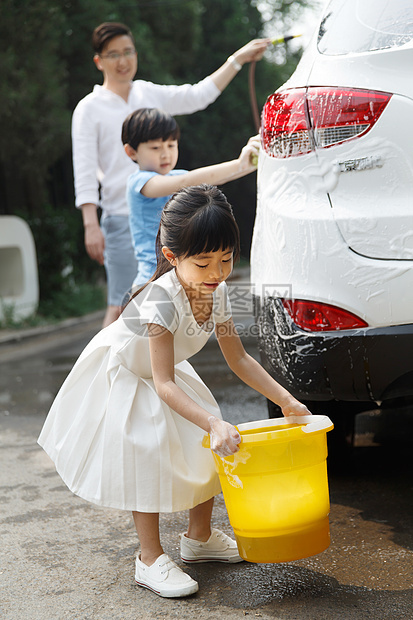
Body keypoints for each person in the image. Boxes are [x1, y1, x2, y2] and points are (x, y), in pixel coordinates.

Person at [38, 184, 311, 599]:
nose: (217, 273)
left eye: (225, 259)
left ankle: (198, 539)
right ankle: (148, 558)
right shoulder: (160, 301)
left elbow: (239, 359)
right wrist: (212, 421)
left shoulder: (220, 292)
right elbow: (161, 382)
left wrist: (286, 399)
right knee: (146, 451)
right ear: (172, 257)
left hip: (162, 375)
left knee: (207, 446)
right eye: (203, 263)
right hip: (129, 373)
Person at [72, 21, 270, 327]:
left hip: (170, 218)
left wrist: (237, 60)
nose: (123, 61)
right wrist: (90, 224)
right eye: (113, 55)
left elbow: (197, 96)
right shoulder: (89, 108)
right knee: (121, 305)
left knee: (169, 307)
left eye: (128, 51)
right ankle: (103, 369)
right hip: (122, 216)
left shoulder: (148, 93)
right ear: (99, 61)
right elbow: (84, 169)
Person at [122, 107, 259, 288]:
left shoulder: (177, 176)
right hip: (152, 280)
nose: (165, 154)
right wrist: (239, 164)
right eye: (155, 147)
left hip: (182, 276)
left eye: (171, 145)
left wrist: (249, 164)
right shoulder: (139, 182)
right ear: (131, 152)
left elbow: (216, 178)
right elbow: (187, 180)